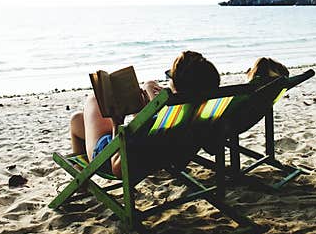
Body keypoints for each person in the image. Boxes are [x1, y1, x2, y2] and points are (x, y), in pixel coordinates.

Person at [69, 50, 220, 177]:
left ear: (176, 86)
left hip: (108, 155)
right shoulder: (203, 114)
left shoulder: (160, 121)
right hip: (155, 152)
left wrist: (117, 122)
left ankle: (80, 174)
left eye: (170, 77)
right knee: (77, 119)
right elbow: (212, 148)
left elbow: (118, 168)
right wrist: (143, 112)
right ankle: (79, 171)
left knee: (93, 99)